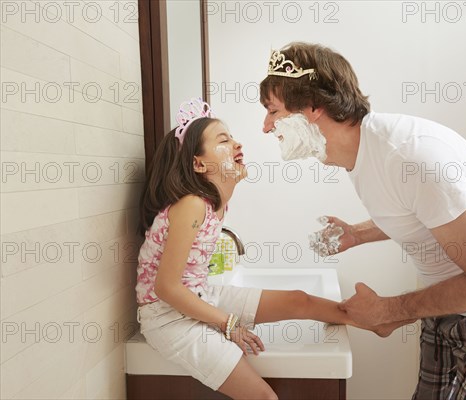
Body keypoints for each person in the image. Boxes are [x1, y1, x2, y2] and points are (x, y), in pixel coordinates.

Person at [259, 43, 466, 399]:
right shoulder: (358, 153)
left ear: (313, 108)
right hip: (453, 298)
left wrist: (389, 310)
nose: (266, 127)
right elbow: (421, 212)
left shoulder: (409, 156)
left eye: (273, 111)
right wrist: (358, 234)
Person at [135, 98, 381, 400]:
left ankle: (372, 318)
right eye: (223, 140)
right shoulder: (191, 205)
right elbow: (166, 287)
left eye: (233, 137)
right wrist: (229, 324)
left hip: (199, 296)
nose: (237, 144)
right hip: (169, 318)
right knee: (265, 398)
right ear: (198, 164)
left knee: (299, 300)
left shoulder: (213, 206)